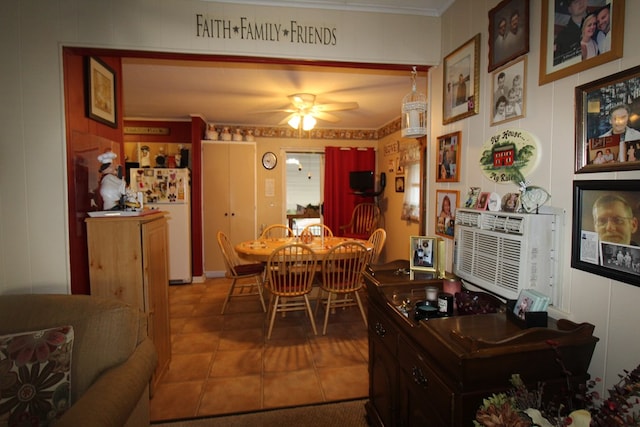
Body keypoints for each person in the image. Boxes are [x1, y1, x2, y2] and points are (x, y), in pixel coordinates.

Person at [554, 0, 587, 65]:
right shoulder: (562, 37)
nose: (580, 3)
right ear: (569, 9)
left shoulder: (598, 22)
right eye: (575, 2)